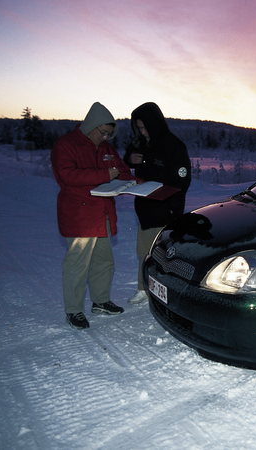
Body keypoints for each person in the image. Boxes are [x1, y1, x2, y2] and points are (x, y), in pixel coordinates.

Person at [51, 102, 140, 329]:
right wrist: (105, 174)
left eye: (109, 134)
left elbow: (121, 169)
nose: (105, 138)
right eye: (103, 132)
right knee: (77, 265)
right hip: (79, 216)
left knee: (104, 262)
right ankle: (74, 310)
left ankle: (100, 301)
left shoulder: (107, 149)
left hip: (102, 214)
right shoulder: (66, 145)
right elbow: (67, 176)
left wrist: (135, 181)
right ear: (91, 125)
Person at [123, 102, 191, 304]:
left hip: (167, 211)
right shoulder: (142, 143)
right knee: (144, 252)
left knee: (165, 255)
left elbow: (182, 182)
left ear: (154, 124)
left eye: (144, 127)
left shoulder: (174, 146)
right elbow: (127, 157)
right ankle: (143, 288)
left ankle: (166, 291)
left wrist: (172, 209)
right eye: (139, 128)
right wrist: (130, 159)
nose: (142, 132)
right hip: (145, 209)